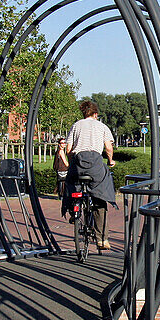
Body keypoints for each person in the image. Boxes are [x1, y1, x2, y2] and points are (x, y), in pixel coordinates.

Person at [64, 100, 116, 251]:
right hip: (95, 164)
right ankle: (102, 239)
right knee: (101, 196)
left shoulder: (76, 125)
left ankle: (73, 208)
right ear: (95, 114)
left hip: (78, 162)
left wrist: (72, 161)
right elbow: (108, 147)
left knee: (71, 184)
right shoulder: (102, 126)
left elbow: (68, 148)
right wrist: (111, 160)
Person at [53, 136, 70, 216]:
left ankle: (60, 194)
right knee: (64, 182)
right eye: (62, 143)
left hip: (59, 169)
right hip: (63, 169)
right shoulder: (61, 152)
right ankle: (62, 195)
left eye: (64, 143)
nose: (64, 144)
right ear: (59, 144)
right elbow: (65, 162)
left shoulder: (58, 151)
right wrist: (70, 166)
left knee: (60, 181)